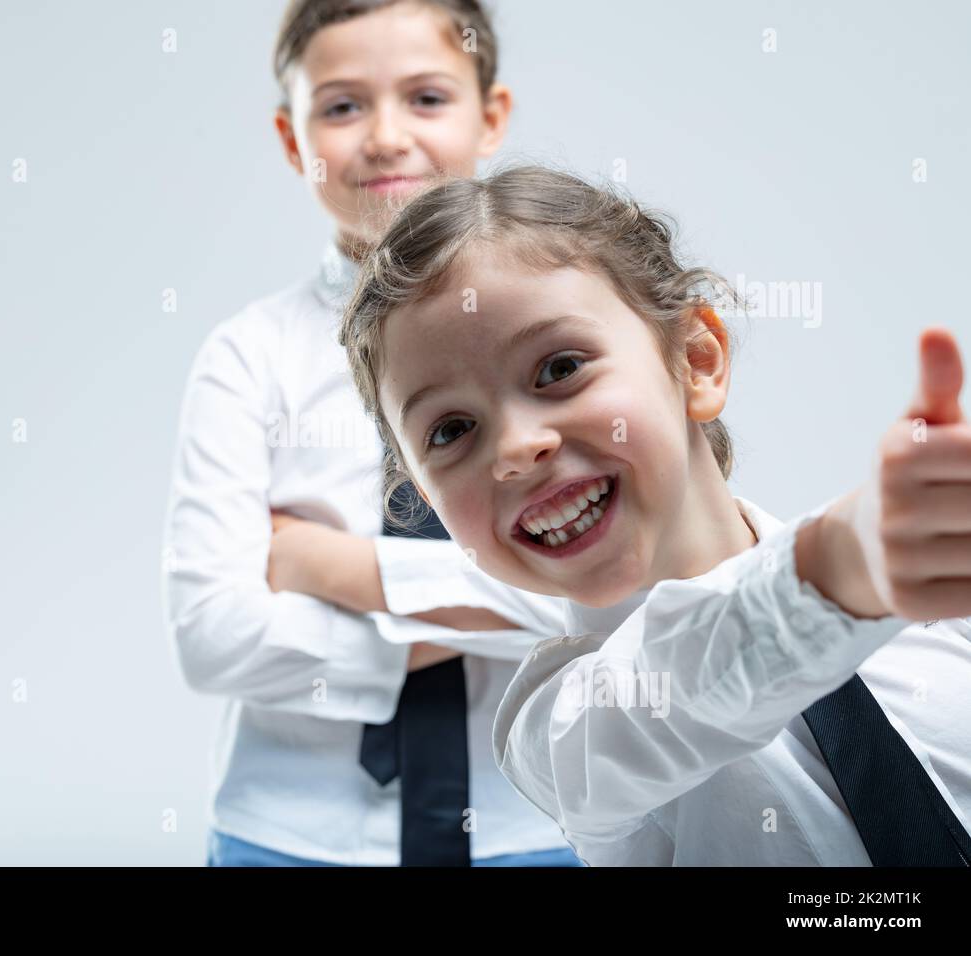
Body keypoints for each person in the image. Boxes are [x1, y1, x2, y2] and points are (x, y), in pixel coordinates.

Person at [314, 162, 971, 865]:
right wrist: (838, 576)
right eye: (450, 432)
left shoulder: (931, 604)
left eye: (559, 368)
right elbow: (691, 686)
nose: (515, 447)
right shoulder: (560, 730)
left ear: (696, 358)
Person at [161, 0, 583, 867]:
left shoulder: (565, 339)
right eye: (343, 105)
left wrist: (331, 569)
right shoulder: (248, 357)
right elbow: (212, 636)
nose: (386, 137)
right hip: (288, 836)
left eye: (427, 98)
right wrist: (504, 596)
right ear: (292, 139)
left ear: (491, 116)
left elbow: (603, 593)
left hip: (539, 826)